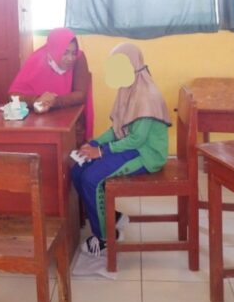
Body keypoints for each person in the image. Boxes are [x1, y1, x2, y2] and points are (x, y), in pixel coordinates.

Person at [72, 42, 172, 257]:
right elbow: (117, 128)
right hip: (132, 146)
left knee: (91, 177)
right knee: (78, 171)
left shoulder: (147, 96)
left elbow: (137, 139)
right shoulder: (128, 89)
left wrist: (101, 152)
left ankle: (105, 238)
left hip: (146, 154)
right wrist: (94, 143)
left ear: (133, 64)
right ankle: (112, 217)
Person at [8, 27, 94, 141]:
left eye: (73, 53)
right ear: (55, 49)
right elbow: (13, 96)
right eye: (65, 53)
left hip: (70, 121)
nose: (70, 58)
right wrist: (36, 100)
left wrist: (53, 101)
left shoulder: (79, 58)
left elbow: (80, 94)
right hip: (40, 122)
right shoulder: (37, 59)